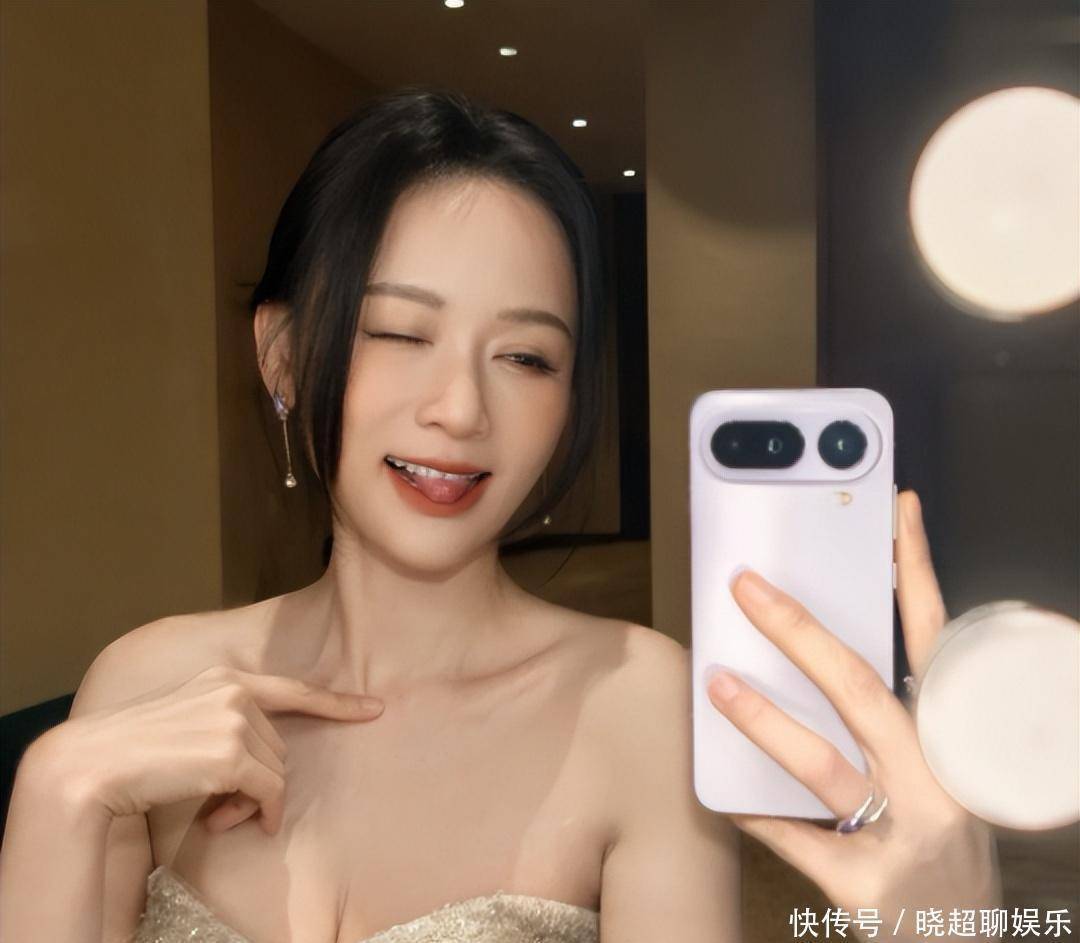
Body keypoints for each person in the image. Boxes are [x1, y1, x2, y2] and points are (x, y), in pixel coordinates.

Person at [0, 87, 999, 943]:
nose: (462, 410)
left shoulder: (640, 710)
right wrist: (52, 792)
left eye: (525, 357)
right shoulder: (141, 690)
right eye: (400, 332)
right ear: (283, 356)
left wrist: (954, 924)